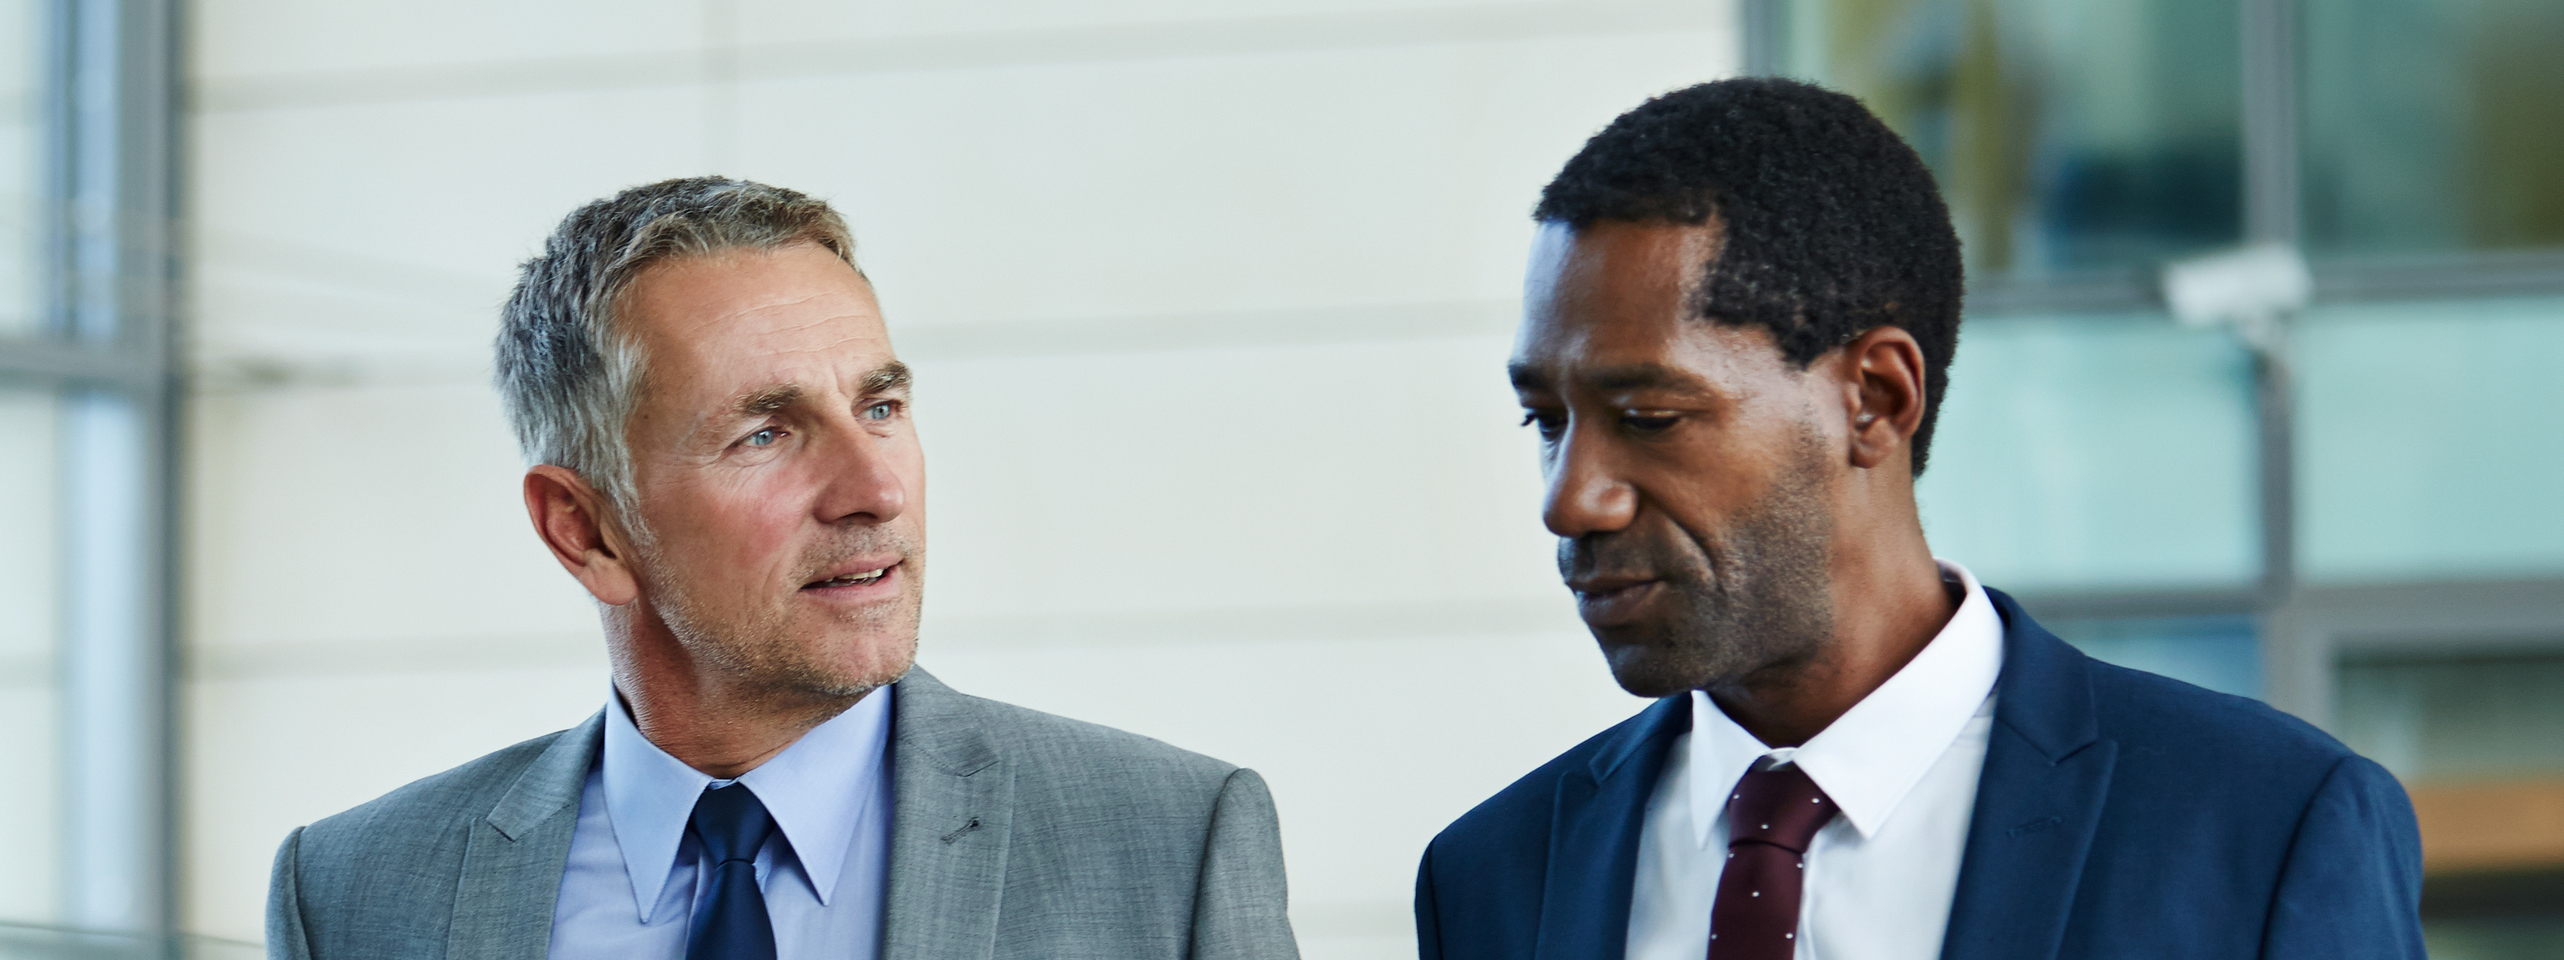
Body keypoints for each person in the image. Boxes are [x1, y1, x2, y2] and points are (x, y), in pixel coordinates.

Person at [1416, 78, 2425, 960]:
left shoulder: (2263, 825)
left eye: (1650, 417)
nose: (1570, 497)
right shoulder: (1493, 880)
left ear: (1877, 398)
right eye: (1546, 422)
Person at [266, 177, 1301, 960]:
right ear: (585, 530)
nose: (875, 490)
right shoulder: (355, 895)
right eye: (766, 433)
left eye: (881, 409)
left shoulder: (1170, 848)